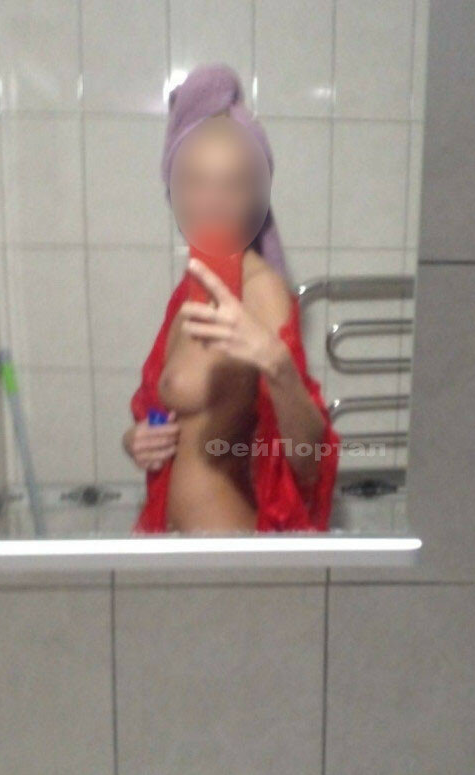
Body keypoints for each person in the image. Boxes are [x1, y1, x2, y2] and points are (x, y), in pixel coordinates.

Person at [124, 64, 339, 534]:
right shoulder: (192, 288)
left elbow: (309, 461)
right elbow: (167, 414)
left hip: (229, 546)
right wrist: (137, 440)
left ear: (255, 197)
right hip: (179, 543)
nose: (212, 202)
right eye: (195, 181)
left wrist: (277, 363)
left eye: (233, 184)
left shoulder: (262, 292)